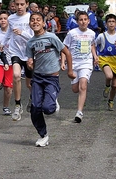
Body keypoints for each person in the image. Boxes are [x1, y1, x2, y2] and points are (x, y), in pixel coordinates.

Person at [27, 12, 75, 146]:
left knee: (48, 108)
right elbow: (30, 60)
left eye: (38, 20)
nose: (35, 22)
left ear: (43, 23)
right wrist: (29, 64)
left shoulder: (51, 37)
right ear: (29, 24)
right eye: (32, 20)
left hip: (51, 78)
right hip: (37, 78)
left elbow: (67, 53)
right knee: (35, 109)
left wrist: (70, 71)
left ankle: (53, 100)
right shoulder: (30, 42)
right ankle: (43, 135)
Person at [2, 0, 34, 121]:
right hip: (15, 51)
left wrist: (22, 33)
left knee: (29, 83)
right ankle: (17, 104)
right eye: (17, 4)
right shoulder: (11, 18)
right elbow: (9, 33)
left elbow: (34, 37)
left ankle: (32, 98)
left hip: (28, 52)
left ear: (27, 4)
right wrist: (2, 44)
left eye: (22, 4)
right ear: (13, 5)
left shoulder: (32, 18)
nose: (19, 7)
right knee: (15, 75)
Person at [62, 11, 98, 123]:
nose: (83, 22)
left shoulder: (92, 33)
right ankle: (77, 92)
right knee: (75, 89)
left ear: (88, 21)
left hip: (86, 63)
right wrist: (63, 61)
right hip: (73, 63)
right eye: (81, 20)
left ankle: (79, 112)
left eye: (85, 19)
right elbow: (65, 47)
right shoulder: (72, 33)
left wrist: (95, 56)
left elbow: (92, 44)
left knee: (83, 85)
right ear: (77, 22)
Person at [95, 14, 116, 111]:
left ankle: (111, 100)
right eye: (109, 21)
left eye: (113, 21)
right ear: (106, 24)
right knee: (109, 76)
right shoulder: (102, 36)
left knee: (115, 85)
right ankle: (106, 86)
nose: (111, 23)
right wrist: (95, 56)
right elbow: (94, 44)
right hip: (104, 59)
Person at [0, 10, 13, 115]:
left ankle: (6, 107)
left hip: (10, 63)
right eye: (1, 19)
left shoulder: (13, 32)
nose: (3, 20)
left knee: (8, 89)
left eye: (5, 18)